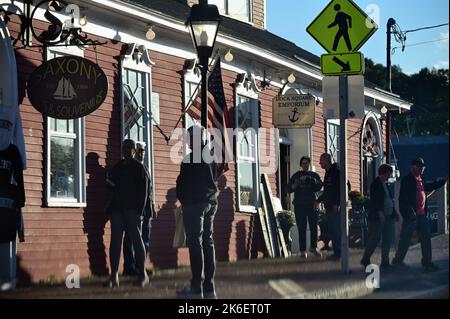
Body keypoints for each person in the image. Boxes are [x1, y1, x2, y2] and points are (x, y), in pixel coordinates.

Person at [176, 126, 219, 299]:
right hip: (210, 202)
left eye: (189, 137)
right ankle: (209, 287)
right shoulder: (211, 156)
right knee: (208, 242)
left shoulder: (190, 158)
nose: (188, 141)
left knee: (195, 242)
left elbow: (183, 182)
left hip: (194, 204)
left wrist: (183, 199)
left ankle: (196, 287)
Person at [106, 139, 149, 288]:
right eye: (123, 147)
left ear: (134, 150)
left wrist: (140, 211)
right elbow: (110, 184)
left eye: (128, 148)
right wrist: (110, 186)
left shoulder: (139, 167)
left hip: (133, 210)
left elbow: (144, 191)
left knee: (137, 241)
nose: (125, 150)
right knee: (115, 243)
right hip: (117, 209)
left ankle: (143, 274)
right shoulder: (117, 167)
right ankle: (113, 276)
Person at [392, 157, 448, 272]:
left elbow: (429, 186)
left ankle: (427, 263)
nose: (423, 169)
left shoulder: (421, 179)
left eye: (423, 167)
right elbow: (402, 199)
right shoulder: (407, 180)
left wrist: (443, 181)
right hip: (411, 216)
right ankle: (398, 261)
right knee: (405, 239)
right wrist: (409, 212)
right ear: (413, 167)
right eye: (420, 167)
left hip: (422, 215)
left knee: (426, 239)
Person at [123, 142, 155, 275]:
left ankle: (140, 266)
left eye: (143, 151)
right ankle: (129, 267)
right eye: (139, 150)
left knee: (145, 239)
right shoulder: (130, 168)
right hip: (135, 210)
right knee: (130, 238)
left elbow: (149, 191)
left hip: (146, 210)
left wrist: (152, 206)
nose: (141, 153)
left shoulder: (145, 168)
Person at [361, 164, 400, 270]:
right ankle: (366, 258)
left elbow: (389, 200)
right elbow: (375, 200)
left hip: (389, 215)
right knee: (375, 237)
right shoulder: (376, 184)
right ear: (384, 172)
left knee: (387, 239)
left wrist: (395, 212)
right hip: (378, 217)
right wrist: (379, 212)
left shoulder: (386, 185)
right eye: (389, 173)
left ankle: (385, 262)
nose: (390, 175)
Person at [287, 156, 323, 258]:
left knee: (313, 228)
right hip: (299, 205)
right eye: (303, 163)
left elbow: (320, 186)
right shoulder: (296, 175)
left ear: (309, 164)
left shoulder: (314, 175)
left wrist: (309, 179)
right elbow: (289, 189)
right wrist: (296, 184)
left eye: (307, 163)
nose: (305, 165)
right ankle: (303, 251)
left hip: (312, 204)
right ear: (300, 165)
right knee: (301, 228)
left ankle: (313, 247)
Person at [316, 153, 341, 260]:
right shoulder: (328, 173)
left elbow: (340, 188)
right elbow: (327, 191)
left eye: (321, 160)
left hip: (335, 206)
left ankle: (339, 253)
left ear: (327, 160)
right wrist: (318, 201)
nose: (320, 163)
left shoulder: (336, 172)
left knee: (336, 230)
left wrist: (337, 203)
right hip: (329, 206)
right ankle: (337, 252)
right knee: (333, 230)